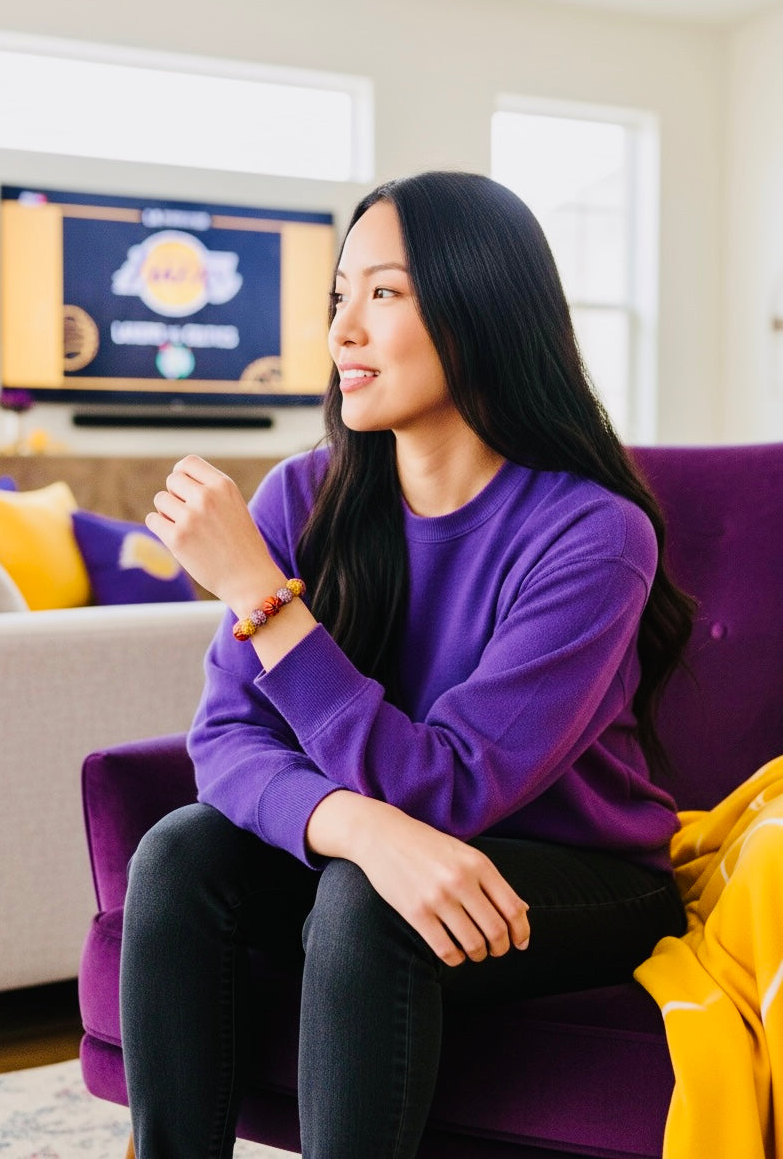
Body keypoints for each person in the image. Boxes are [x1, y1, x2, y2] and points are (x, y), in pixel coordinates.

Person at [120, 170, 694, 1159]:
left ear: (479, 310)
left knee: (365, 899)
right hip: (387, 842)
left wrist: (262, 600)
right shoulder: (304, 495)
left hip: (586, 875)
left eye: (382, 294)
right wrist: (358, 829)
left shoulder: (594, 535)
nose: (342, 329)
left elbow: (452, 786)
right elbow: (222, 742)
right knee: (180, 851)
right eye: (339, 295)